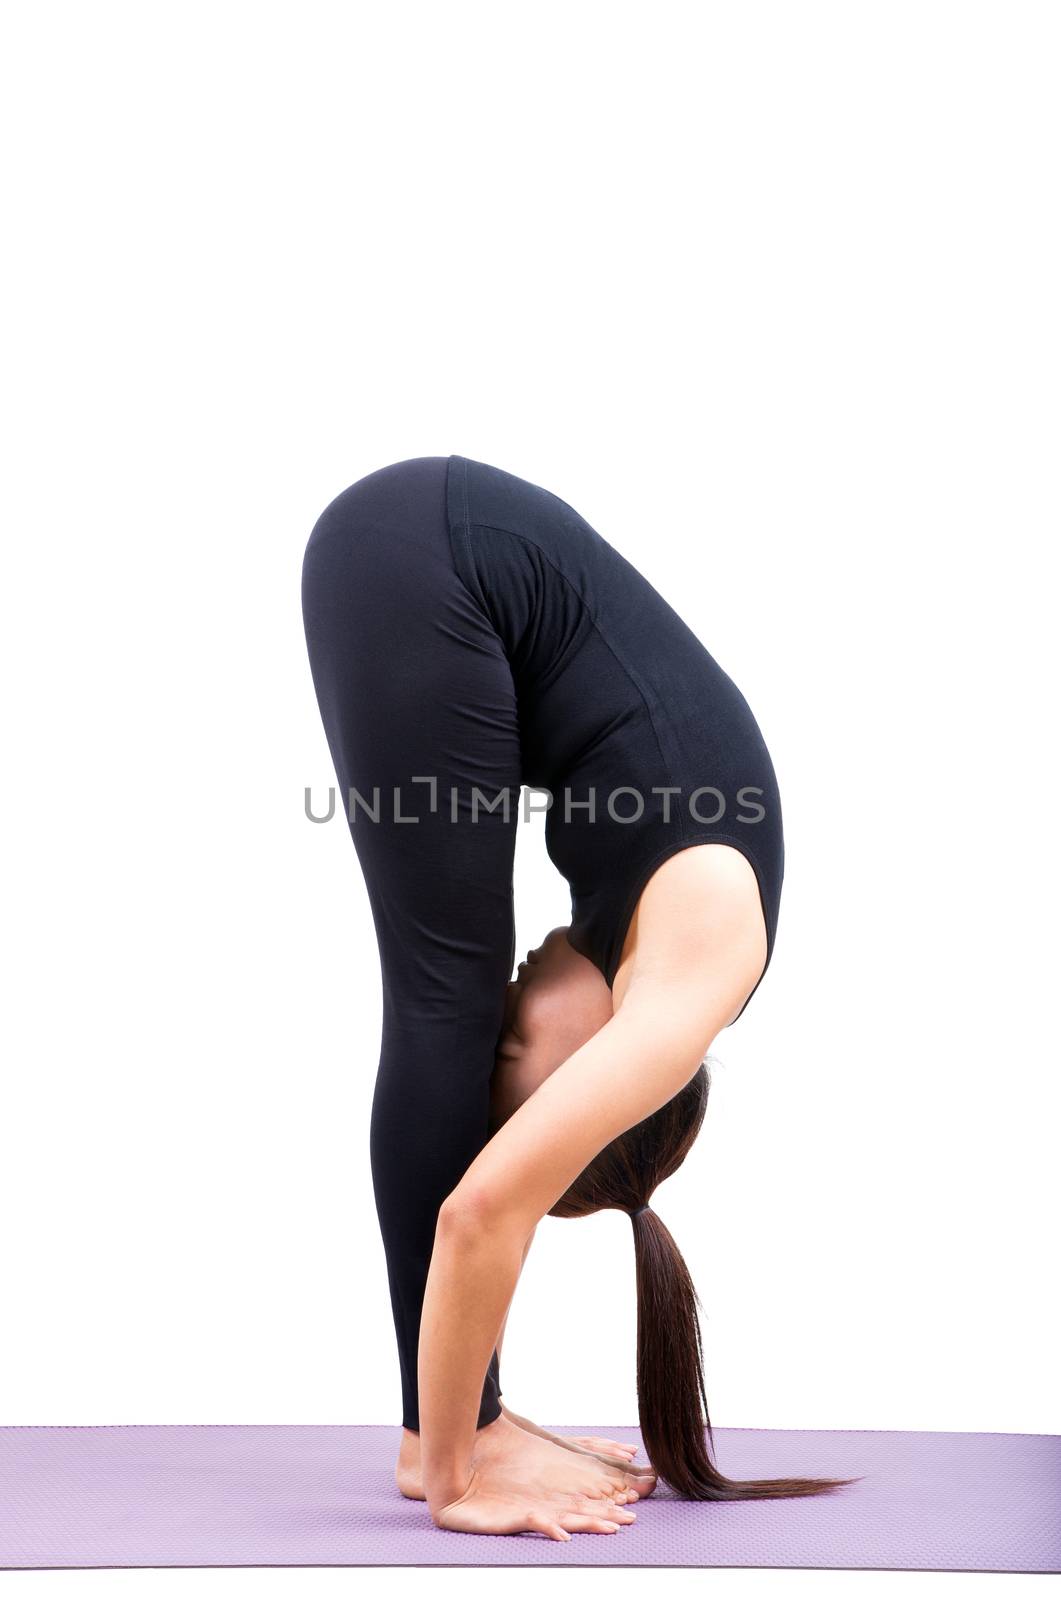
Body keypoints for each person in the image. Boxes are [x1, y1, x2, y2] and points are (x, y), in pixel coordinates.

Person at [301, 454, 857, 1539]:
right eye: (519, 1047)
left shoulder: (654, 958)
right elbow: (478, 1213)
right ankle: (443, 1435)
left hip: (425, 558)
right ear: (597, 1075)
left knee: (441, 996)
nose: (512, 1010)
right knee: (441, 1000)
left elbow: (480, 1206)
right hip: (428, 552)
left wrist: (468, 1433)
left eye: (499, 1048)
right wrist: (461, 1473)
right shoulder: (676, 995)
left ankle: (450, 1425)